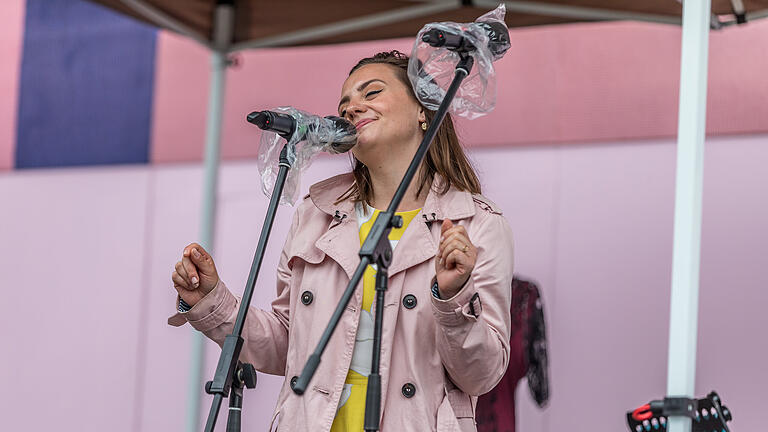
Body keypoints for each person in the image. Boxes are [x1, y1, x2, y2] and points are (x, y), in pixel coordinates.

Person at [168, 50, 514, 432]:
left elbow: (482, 375)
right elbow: (288, 344)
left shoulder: (477, 222)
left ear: (424, 110)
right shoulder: (315, 213)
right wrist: (210, 300)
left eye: (372, 93)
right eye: (344, 104)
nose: (351, 109)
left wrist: (454, 298)